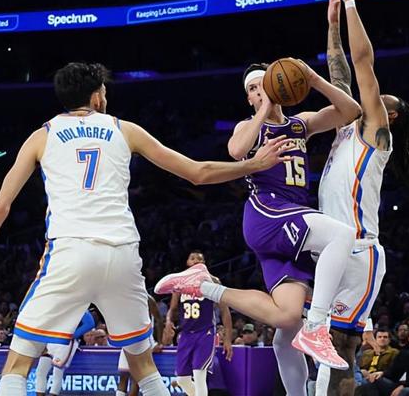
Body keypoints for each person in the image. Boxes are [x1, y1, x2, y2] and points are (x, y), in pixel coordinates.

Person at [0, 61, 291, 396]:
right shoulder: (124, 129)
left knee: (17, 365)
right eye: (104, 92)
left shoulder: (42, 136)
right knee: (144, 367)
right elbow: (197, 173)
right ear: (96, 97)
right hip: (122, 255)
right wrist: (253, 165)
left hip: (70, 252)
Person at [155, 53, 363, 378]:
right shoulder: (250, 126)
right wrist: (264, 110)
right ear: (249, 99)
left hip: (292, 224)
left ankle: (204, 285)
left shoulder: (300, 124)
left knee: (287, 319)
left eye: (262, 84)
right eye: (252, 89)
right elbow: (236, 150)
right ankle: (317, 327)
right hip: (268, 214)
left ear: (277, 85)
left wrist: (312, 78)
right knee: (343, 235)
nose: (258, 91)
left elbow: (352, 112)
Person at [315, 0, 409, 395]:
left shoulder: (377, 132)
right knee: (321, 343)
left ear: (390, 115)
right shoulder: (349, 124)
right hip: (330, 246)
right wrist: (332, 25)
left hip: (359, 250)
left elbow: (362, 62)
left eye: (381, 98)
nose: (373, 97)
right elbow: (340, 72)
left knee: (341, 345)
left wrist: (352, 5)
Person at [162, 251, 233, 396]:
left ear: (204, 264)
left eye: (199, 259)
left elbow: (225, 311)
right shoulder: (179, 283)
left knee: (199, 376)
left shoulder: (213, 281)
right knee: (182, 379)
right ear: (187, 262)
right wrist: (168, 321)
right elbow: (172, 309)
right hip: (186, 334)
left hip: (205, 333)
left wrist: (227, 339)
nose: (196, 261)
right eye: (192, 258)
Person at [356, 327, 409, 396]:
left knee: (404, 391)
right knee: (374, 380)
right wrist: (382, 373)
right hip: (396, 383)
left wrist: (403, 386)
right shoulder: (404, 353)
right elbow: (393, 370)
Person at [36, 311, 96, 396]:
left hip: (64, 343)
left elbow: (90, 323)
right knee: (40, 371)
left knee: (57, 372)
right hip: (51, 339)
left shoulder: (77, 305)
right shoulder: (53, 305)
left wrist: (73, 335)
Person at [117, 296, 164, 396]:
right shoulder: (125, 298)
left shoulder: (148, 299)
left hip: (143, 338)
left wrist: (160, 342)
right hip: (128, 339)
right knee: (123, 378)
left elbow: (159, 320)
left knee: (137, 380)